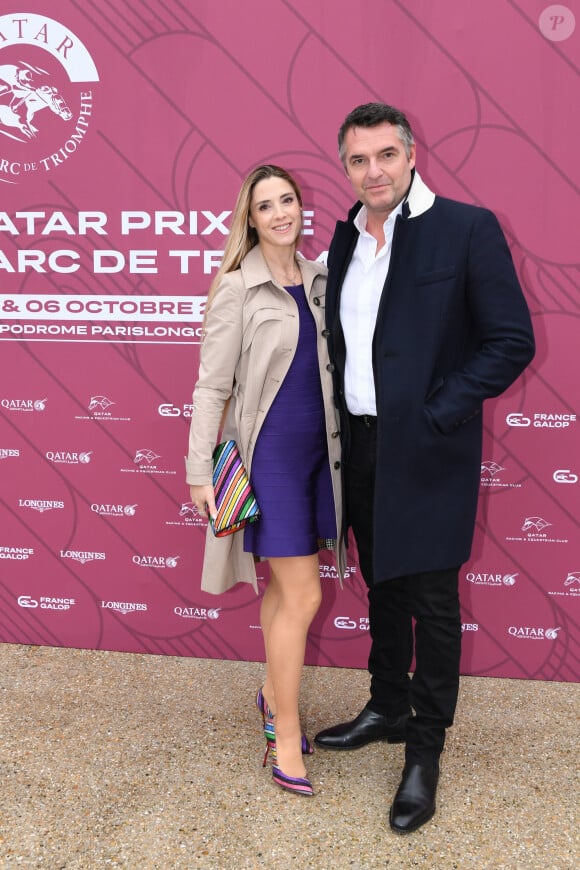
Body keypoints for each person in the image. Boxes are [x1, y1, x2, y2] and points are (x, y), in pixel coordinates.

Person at [314, 103, 535, 832]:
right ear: (345, 166)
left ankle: (425, 749)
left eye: (384, 155)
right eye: (357, 159)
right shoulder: (343, 238)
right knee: (382, 581)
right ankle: (385, 704)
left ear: (410, 155)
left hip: (431, 447)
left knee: (433, 601)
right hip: (363, 447)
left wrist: (441, 410)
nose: (372, 171)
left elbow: (509, 341)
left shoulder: (466, 228)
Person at [185, 164, 345, 797]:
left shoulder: (320, 280)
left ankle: (269, 692)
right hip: (270, 457)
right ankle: (284, 730)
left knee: (287, 590)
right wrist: (200, 469)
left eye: (288, 200)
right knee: (303, 596)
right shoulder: (237, 288)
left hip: (322, 455)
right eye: (265, 205)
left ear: (301, 207)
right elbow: (210, 385)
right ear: (248, 219)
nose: (281, 213)